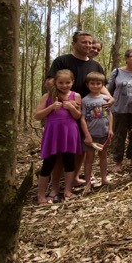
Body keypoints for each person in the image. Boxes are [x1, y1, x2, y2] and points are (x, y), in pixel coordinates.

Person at [45, 30, 112, 189]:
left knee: (81, 147)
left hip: (88, 114)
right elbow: (49, 83)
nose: (88, 45)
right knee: (62, 149)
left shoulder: (95, 65)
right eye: (84, 42)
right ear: (74, 44)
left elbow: (101, 86)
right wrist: (65, 100)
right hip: (64, 112)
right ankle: (55, 183)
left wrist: (111, 98)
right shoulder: (62, 61)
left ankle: (74, 177)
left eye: (90, 42)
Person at [34, 70, 82, 204]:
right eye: (61, 82)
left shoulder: (75, 96)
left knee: (69, 161)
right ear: (55, 82)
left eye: (68, 82)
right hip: (53, 132)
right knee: (48, 163)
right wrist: (51, 107)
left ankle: (67, 191)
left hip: (70, 132)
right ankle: (41, 195)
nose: (64, 85)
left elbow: (78, 116)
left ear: (72, 82)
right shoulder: (48, 96)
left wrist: (71, 107)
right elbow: (37, 116)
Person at [108, 49, 132, 172]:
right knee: (120, 136)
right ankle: (118, 162)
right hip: (120, 110)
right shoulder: (117, 72)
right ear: (126, 58)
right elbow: (109, 90)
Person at [79, 72, 113, 194]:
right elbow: (82, 118)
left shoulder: (105, 99)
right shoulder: (85, 100)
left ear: (102, 85)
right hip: (91, 134)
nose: (95, 86)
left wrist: (110, 129)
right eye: (92, 84)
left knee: (103, 156)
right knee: (89, 158)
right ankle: (88, 182)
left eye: (98, 83)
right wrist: (87, 135)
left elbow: (109, 114)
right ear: (87, 85)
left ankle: (104, 178)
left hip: (104, 133)